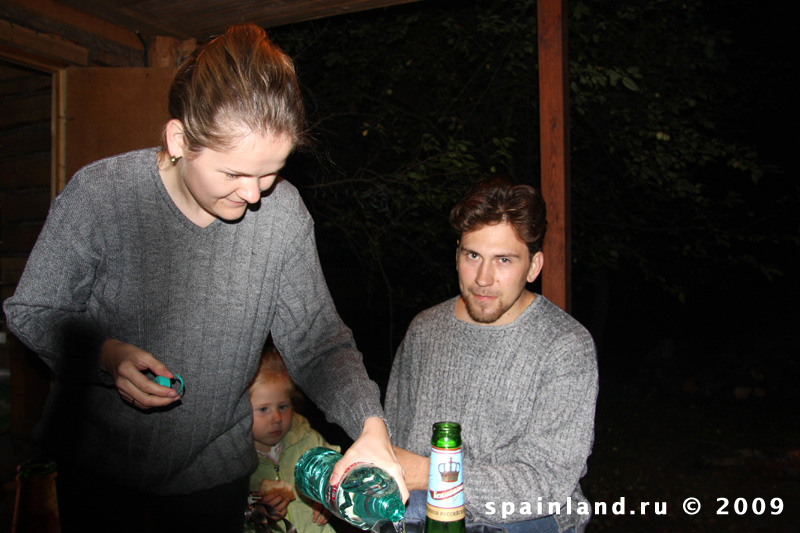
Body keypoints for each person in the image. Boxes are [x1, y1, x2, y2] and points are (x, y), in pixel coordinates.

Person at [3, 23, 405, 533]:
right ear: (179, 140)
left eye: (270, 172)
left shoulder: (283, 217)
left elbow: (318, 340)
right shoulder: (102, 196)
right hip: (98, 466)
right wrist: (106, 356)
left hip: (214, 475)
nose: (255, 195)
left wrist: (371, 427)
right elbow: (33, 311)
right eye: (234, 174)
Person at [384, 177, 598, 533]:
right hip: (424, 511)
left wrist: (427, 472)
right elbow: (394, 446)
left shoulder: (565, 345)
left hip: (529, 518)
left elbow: (545, 483)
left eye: (503, 260)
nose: (483, 278)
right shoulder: (424, 330)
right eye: (473, 256)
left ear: (534, 266)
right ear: (457, 255)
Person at [245, 340, 338, 533]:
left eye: (283, 406)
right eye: (263, 409)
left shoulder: (307, 440)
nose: (277, 418)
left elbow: (339, 469)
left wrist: (329, 494)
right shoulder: (234, 462)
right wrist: (256, 513)